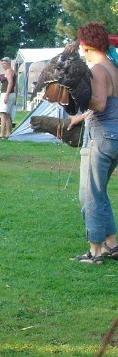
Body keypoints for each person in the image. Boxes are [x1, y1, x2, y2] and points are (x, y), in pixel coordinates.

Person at [66, 22, 118, 265]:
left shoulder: (98, 69)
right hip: (113, 136)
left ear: (85, 44)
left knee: (89, 194)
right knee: (99, 191)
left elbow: (99, 104)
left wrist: (76, 94)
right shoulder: (113, 66)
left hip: (101, 136)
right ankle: (111, 243)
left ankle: (95, 251)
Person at [0, 57, 16, 139]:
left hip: (6, 93)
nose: (3, 65)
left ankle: (2, 134)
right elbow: (15, 85)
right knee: (7, 114)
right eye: (2, 63)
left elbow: (11, 83)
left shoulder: (9, 71)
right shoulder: (12, 71)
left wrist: (7, 95)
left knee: (3, 114)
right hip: (10, 94)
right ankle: (8, 133)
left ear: (8, 63)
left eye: (4, 63)